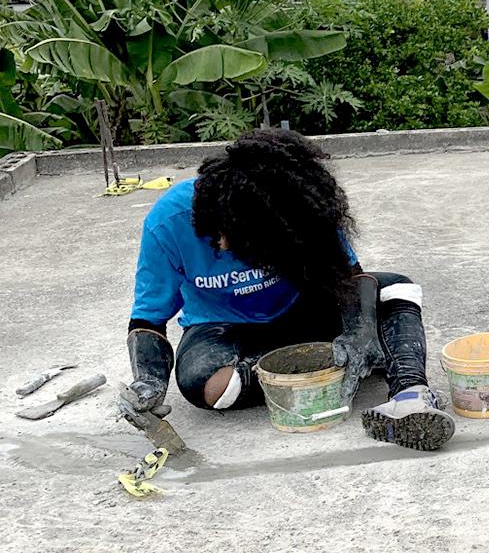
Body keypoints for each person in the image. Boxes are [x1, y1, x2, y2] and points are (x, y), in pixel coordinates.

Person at [119, 129, 454, 452]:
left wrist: (361, 332)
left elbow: (350, 278)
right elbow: (148, 318)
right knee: (206, 387)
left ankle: (409, 394)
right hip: (224, 327)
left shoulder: (298, 210)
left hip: (305, 310)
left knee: (396, 290)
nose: (221, 245)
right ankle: (330, 365)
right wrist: (149, 381)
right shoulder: (167, 221)